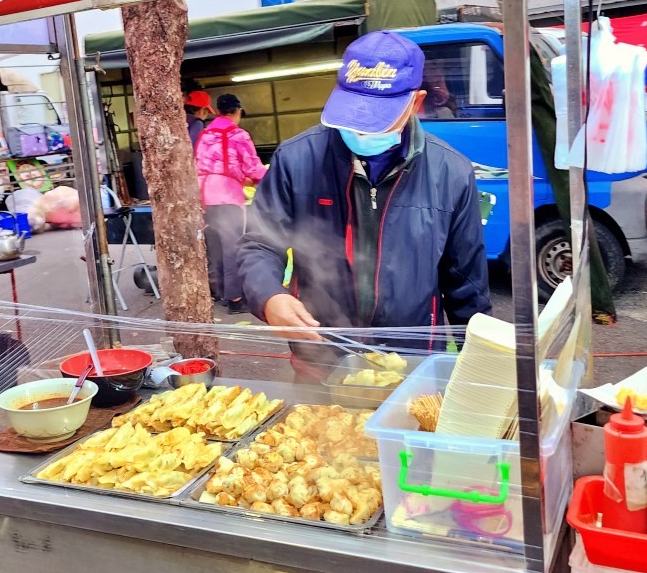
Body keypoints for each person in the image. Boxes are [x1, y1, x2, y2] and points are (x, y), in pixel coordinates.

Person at [238, 31, 490, 377]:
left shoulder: (452, 173)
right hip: (321, 357)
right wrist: (269, 295)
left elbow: (467, 285)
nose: (358, 128)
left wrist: (481, 369)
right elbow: (259, 245)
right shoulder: (297, 159)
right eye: (354, 111)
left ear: (415, 103)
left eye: (374, 117)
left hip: (411, 364)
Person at [196, 93, 267, 313]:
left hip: (204, 196)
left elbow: (200, 165)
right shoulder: (238, 135)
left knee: (215, 247)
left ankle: (220, 293)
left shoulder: (205, 134)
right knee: (233, 248)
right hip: (227, 197)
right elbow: (253, 168)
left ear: (217, 111)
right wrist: (269, 177)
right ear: (237, 111)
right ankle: (236, 299)